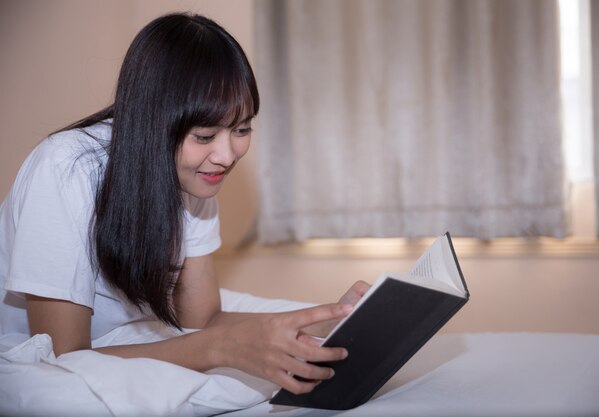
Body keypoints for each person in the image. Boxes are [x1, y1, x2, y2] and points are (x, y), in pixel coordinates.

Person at [0, 12, 369, 395]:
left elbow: (203, 318)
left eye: (242, 130)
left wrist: (328, 321)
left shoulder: (193, 174)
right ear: (151, 123)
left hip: (131, 334)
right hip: (44, 359)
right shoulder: (64, 168)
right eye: (206, 134)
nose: (227, 155)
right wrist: (222, 347)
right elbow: (63, 359)